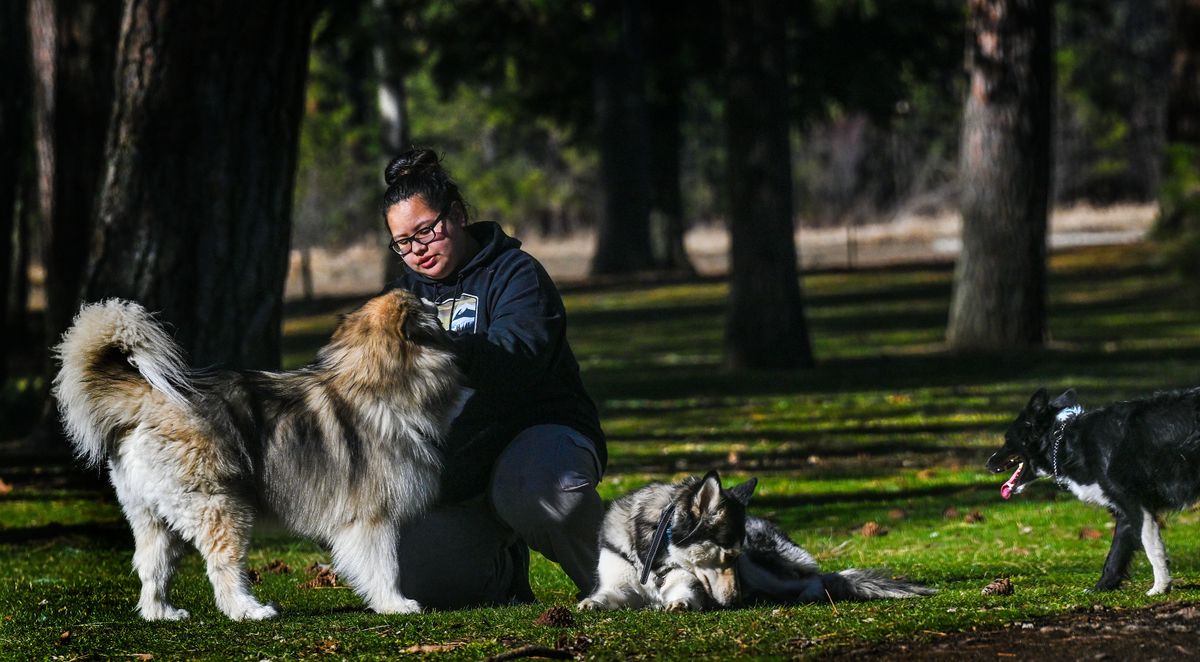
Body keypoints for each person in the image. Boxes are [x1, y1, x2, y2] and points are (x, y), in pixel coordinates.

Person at [381, 148, 606, 608]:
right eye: (403, 242)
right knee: (411, 579)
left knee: (537, 491)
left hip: (539, 438)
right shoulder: (400, 298)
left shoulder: (515, 273)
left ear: (458, 216)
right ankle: (503, 573)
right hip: (459, 468)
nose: (417, 249)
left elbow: (518, 356)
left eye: (426, 230)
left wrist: (437, 351)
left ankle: (629, 580)